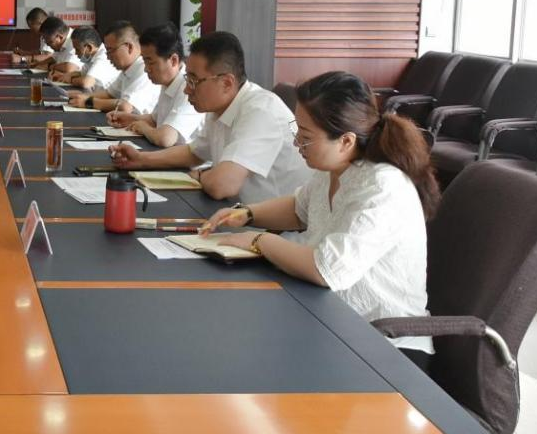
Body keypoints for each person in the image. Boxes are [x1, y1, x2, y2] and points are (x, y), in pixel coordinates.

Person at [199, 71, 438, 362]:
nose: (297, 143)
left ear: (346, 141)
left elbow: (326, 269)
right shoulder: (335, 168)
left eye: (306, 137)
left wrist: (258, 241)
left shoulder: (382, 186)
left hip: (384, 345)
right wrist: (248, 214)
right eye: (297, 130)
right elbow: (299, 209)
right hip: (330, 319)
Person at [111, 31, 309, 201]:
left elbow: (222, 185)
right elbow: (195, 153)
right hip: (238, 214)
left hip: (274, 228)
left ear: (226, 83)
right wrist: (141, 159)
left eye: (194, 81)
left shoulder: (261, 111)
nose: (187, 90)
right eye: (187, 79)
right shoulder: (218, 107)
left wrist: (200, 176)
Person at [106, 23, 203, 148]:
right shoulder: (168, 82)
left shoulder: (188, 88)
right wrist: (129, 119)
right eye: (144, 62)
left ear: (173, 60)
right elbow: (154, 120)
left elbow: (165, 138)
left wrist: (144, 128)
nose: (146, 69)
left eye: (150, 62)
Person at [66, 21, 160, 114]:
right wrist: (84, 96)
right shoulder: (128, 69)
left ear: (129, 47)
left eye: (110, 50)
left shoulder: (144, 69)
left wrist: (89, 102)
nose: (108, 57)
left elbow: (125, 107)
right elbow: (109, 94)